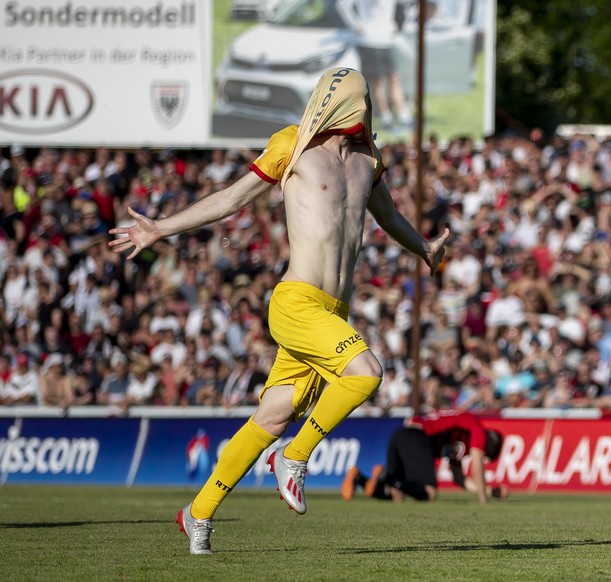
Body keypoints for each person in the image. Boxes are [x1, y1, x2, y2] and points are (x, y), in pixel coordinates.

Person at [109, 67, 450, 555]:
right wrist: (161, 228)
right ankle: (295, 457)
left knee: (272, 414)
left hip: (333, 312)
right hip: (295, 303)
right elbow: (231, 198)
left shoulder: (369, 162)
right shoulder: (291, 144)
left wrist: (423, 248)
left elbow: (389, 217)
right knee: (367, 372)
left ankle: (197, 513)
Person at [341, 411, 507, 504]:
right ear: (492, 442)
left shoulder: (460, 439)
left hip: (400, 434)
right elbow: (477, 464)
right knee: (430, 493)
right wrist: (484, 499)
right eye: (487, 453)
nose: (483, 455)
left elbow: (459, 478)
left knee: (397, 496)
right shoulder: (478, 428)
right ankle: (386, 477)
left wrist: (490, 491)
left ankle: (360, 478)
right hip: (417, 436)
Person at [337, 0, 413, 129]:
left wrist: (395, 26)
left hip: (387, 39)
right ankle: (386, 118)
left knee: (394, 78)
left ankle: (404, 117)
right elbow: (342, 4)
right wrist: (357, 25)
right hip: (369, 40)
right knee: (377, 82)